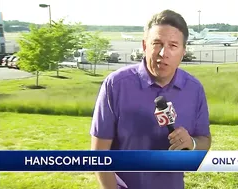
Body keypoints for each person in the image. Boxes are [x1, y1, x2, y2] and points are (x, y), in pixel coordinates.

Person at [90, 9, 211, 189]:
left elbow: (205, 140)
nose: (164, 53)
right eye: (157, 43)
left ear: (183, 51)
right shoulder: (116, 85)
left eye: (173, 45)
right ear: (145, 46)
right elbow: (99, 153)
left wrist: (191, 143)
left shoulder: (194, 89)